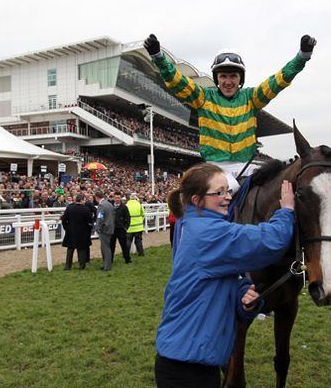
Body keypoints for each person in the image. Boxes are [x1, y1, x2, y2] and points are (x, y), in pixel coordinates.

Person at [154, 163, 295, 388]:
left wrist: (242, 295)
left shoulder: (200, 225)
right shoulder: (209, 234)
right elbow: (270, 241)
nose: (228, 197)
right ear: (197, 200)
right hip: (186, 368)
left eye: (228, 190)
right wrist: (286, 210)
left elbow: (218, 278)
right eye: (219, 192)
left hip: (194, 359)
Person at [144, 33, 317, 193]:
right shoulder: (203, 97)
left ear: (240, 79)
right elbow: (177, 81)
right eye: (223, 76)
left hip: (248, 168)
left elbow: (278, 80)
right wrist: (159, 57)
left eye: (233, 76)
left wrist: (301, 57)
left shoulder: (252, 98)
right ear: (216, 78)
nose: (228, 81)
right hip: (214, 170)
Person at [61, 194, 93, 270]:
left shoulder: (69, 208)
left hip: (71, 232)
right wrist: (88, 231)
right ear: (81, 200)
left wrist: (67, 229)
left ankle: (68, 266)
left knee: (70, 249)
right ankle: (81, 266)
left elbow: (64, 220)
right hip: (83, 233)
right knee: (82, 249)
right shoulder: (86, 209)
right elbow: (90, 222)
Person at [94, 190, 115, 271]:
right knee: (105, 247)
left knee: (105, 248)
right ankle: (106, 264)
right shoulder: (109, 204)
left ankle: (107, 266)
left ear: (96, 197)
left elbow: (100, 217)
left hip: (104, 229)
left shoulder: (102, 205)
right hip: (110, 227)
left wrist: (98, 227)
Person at [110, 191, 132, 264]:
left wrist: (126, 227)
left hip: (121, 229)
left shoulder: (124, 207)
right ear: (114, 198)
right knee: (111, 245)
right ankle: (110, 260)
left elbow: (128, 218)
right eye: (116, 198)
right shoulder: (110, 206)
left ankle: (127, 259)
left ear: (120, 198)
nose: (117, 199)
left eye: (118, 198)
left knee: (124, 245)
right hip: (112, 229)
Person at [126, 192, 145, 257]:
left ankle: (126, 254)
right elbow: (143, 214)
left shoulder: (127, 205)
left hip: (129, 227)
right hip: (139, 226)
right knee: (138, 241)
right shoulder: (139, 204)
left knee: (128, 241)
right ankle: (141, 253)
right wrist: (140, 220)